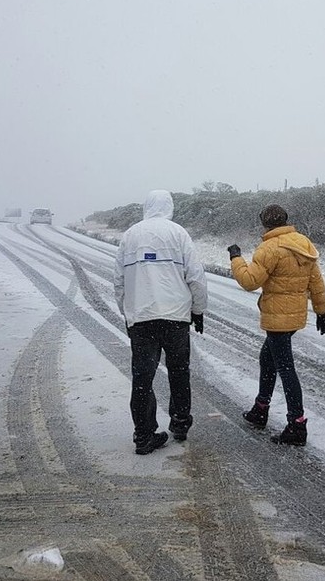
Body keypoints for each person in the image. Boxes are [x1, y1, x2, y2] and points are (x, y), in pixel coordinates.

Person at [113, 190, 208, 454]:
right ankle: (179, 422)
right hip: (175, 318)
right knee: (179, 372)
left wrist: (127, 312)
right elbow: (196, 276)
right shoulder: (178, 233)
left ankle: (143, 435)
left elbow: (118, 281)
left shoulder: (130, 236)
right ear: (170, 207)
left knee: (142, 378)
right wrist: (198, 310)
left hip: (141, 319)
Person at [228, 204, 325, 446]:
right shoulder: (303, 242)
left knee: (286, 369)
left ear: (264, 223)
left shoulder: (270, 248)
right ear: (285, 220)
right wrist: (321, 311)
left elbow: (250, 281)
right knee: (267, 358)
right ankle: (260, 408)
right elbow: (316, 281)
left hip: (277, 318)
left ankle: (297, 424)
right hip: (294, 317)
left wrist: (236, 258)